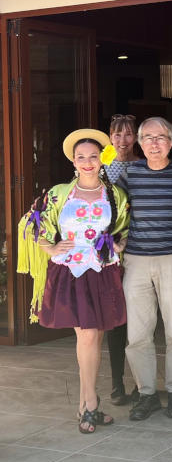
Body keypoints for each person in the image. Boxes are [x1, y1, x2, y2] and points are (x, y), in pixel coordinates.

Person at [18, 129, 129, 433]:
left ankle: (85, 404)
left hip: (102, 270)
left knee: (92, 337)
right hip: (70, 272)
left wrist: (117, 244)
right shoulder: (58, 194)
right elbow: (32, 222)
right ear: (74, 162)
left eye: (93, 156)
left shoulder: (114, 195)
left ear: (102, 159)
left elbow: (123, 228)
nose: (88, 162)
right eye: (81, 157)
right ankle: (91, 404)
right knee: (88, 335)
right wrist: (51, 247)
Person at [118, 117, 172, 421]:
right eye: (148, 137)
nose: (154, 143)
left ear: (171, 141)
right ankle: (147, 393)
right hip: (136, 262)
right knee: (138, 333)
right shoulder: (130, 174)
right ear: (139, 142)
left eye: (161, 137)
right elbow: (115, 213)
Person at [104, 114, 141, 406]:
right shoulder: (101, 167)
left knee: (140, 319)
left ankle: (143, 383)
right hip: (110, 250)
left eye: (128, 135)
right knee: (115, 320)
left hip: (138, 247)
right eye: (117, 135)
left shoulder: (143, 164)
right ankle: (117, 383)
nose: (123, 141)